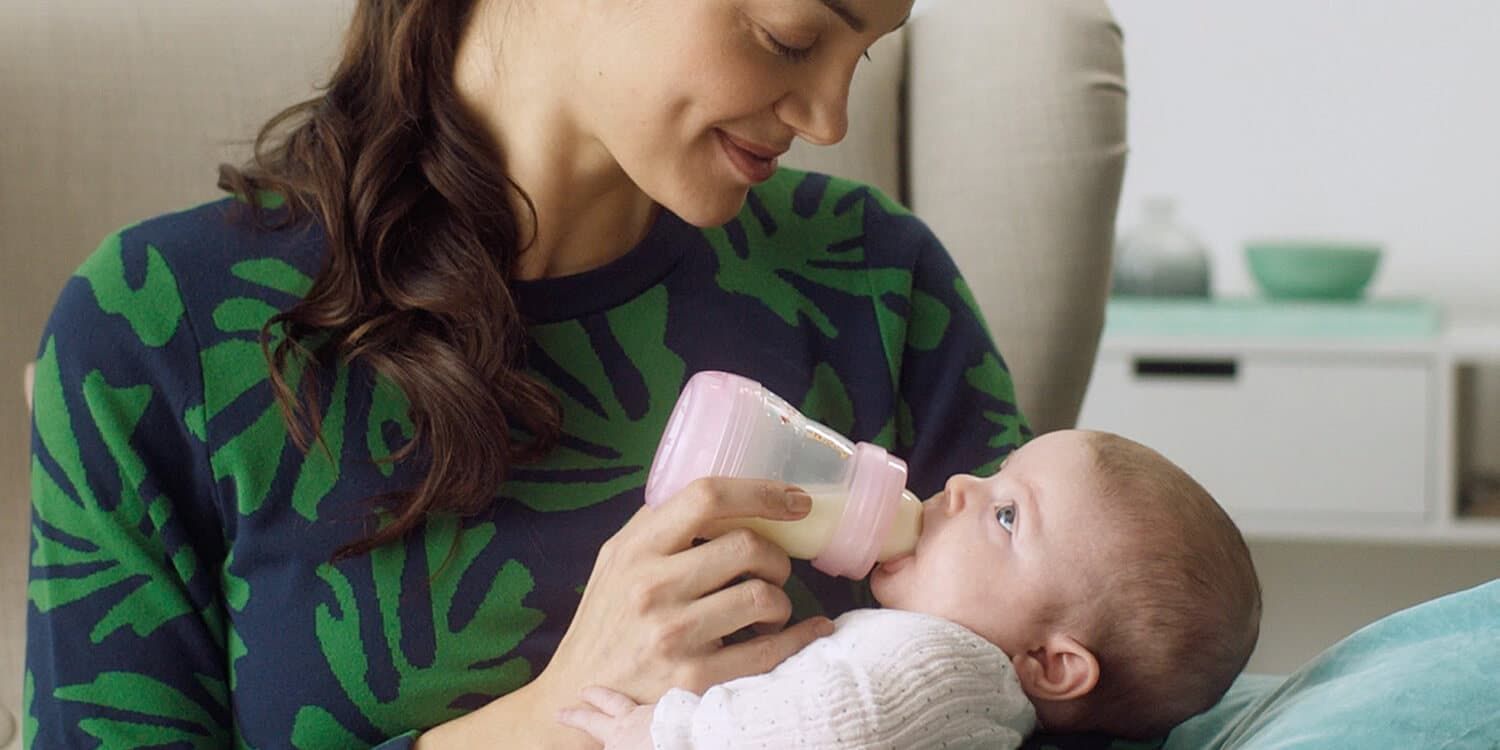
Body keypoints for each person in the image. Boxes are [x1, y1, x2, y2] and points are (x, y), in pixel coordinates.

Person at [24, 1, 1033, 748]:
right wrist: (558, 720)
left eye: (866, 51)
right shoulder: (156, 327)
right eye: (792, 36)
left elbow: (1086, 685)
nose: (830, 117)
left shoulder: (873, 278)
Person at [558, 429, 1263, 748]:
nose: (959, 487)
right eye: (996, 473)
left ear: (1051, 664)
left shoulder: (949, 665)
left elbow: (827, 729)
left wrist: (658, 732)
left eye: (1007, 515)